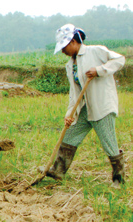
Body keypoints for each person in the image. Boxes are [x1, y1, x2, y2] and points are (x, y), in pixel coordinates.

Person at [40, 24, 125, 187]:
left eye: (64, 47)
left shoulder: (96, 51)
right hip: (86, 108)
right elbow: (74, 93)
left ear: (72, 42)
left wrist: (100, 70)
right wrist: (69, 114)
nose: (63, 51)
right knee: (70, 135)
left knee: (109, 142)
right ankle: (58, 170)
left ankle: (118, 178)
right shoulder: (70, 65)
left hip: (102, 105)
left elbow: (120, 59)